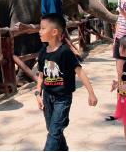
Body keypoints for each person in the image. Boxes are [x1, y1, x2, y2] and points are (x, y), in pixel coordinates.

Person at [35, 13, 98, 150]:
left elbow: (79, 71)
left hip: (62, 99)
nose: (39, 31)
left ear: (54, 32)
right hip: (47, 97)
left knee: (54, 132)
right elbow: (41, 75)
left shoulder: (65, 52)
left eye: (43, 28)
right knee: (53, 130)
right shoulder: (43, 52)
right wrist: (37, 93)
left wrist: (91, 93)